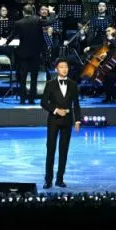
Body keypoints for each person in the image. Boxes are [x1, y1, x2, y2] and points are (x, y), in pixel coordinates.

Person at [39, 59, 81, 188]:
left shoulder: (73, 84)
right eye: (61, 67)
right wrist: (56, 110)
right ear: (56, 69)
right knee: (51, 150)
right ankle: (48, 180)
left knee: (64, 151)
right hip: (53, 121)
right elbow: (43, 102)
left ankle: (60, 179)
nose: (64, 69)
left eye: (66, 67)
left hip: (67, 121)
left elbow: (76, 104)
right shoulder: (50, 84)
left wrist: (77, 120)